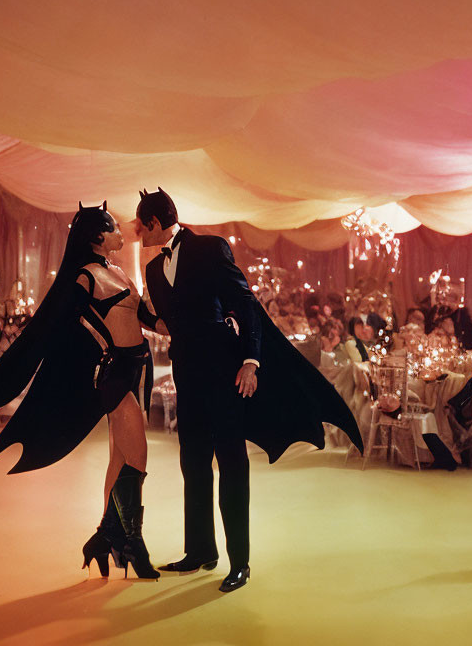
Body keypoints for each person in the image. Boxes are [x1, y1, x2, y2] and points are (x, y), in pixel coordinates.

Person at [0, 203, 161, 579]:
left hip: (137, 369)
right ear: (97, 236)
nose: (119, 233)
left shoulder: (118, 271)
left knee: (120, 459)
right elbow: (54, 326)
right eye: (112, 229)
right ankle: (133, 543)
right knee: (138, 459)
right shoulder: (84, 278)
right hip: (113, 374)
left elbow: (143, 316)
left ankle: (103, 538)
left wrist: (185, 321)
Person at [134, 187, 363, 593]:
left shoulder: (210, 248)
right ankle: (201, 550)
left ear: (154, 222)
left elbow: (247, 305)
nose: (136, 231)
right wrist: (137, 312)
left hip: (226, 375)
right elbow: (169, 321)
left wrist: (251, 361)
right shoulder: (153, 271)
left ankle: (240, 563)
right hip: (187, 379)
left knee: (232, 467)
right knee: (194, 465)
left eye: (140, 223)